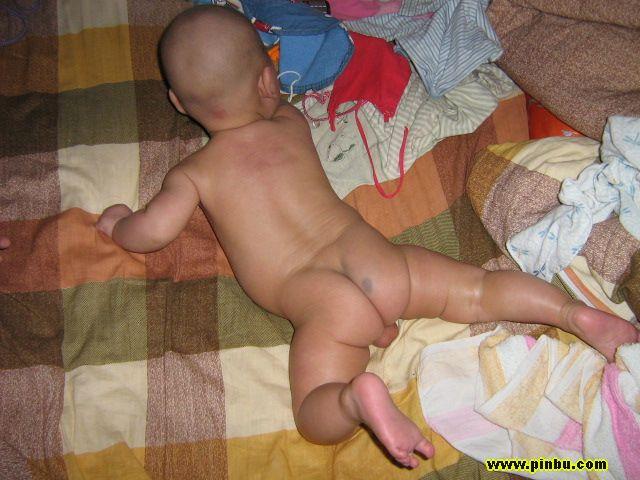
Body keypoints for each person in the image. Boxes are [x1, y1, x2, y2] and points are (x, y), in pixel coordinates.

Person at [96, 5, 639, 469]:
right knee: (476, 290)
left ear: (178, 102)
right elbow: (278, 88)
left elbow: (152, 233)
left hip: (321, 303)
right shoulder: (288, 124)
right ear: (266, 81)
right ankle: (574, 315)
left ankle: (355, 399)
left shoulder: (195, 173)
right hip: (375, 261)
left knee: (314, 415)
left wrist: (118, 223)